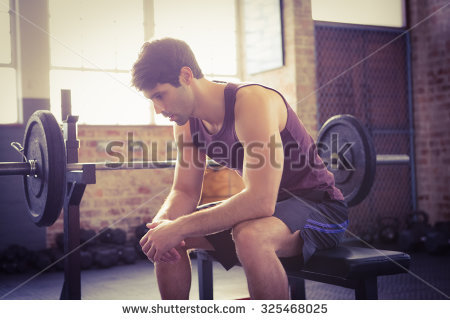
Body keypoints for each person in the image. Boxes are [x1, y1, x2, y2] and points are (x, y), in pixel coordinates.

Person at [132, 38, 348, 300]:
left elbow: (260, 201)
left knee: (249, 237)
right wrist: (165, 225)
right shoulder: (185, 122)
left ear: (185, 75)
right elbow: (184, 191)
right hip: (266, 213)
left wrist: (179, 227)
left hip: (319, 207)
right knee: (166, 239)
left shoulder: (251, 101)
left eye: (159, 95)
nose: (158, 109)